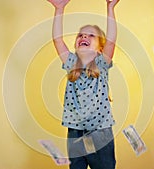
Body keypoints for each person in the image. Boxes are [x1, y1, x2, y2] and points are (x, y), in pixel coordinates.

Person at [48, 0, 120, 169]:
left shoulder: (101, 64)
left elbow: (111, 41)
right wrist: (59, 9)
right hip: (75, 132)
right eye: (80, 35)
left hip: (100, 132)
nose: (84, 37)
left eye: (90, 35)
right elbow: (58, 41)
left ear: (100, 50)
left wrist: (110, 7)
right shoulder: (72, 63)